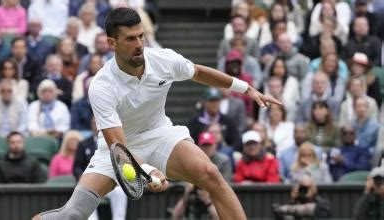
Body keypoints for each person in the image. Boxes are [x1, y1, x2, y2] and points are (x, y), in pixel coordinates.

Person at [34, 7, 281, 220]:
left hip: (161, 135)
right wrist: (149, 170)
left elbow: (198, 72)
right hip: (117, 150)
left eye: (141, 36)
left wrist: (246, 88)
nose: (139, 45)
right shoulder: (101, 86)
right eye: (130, 39)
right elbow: (118, 147)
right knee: (72, 215)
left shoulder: (163, 59)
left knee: (210, 174)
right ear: (112, 43)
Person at [72, 116, 128, 220]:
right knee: (85, 194)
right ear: (91, 125)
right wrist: (81, 177)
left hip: (111, 182)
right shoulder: (83, 144)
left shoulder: (114, 143)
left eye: (99, 124)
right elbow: (77, 166)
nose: (97, 127)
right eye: (94, 124)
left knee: (120, 191)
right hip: (90, 184)